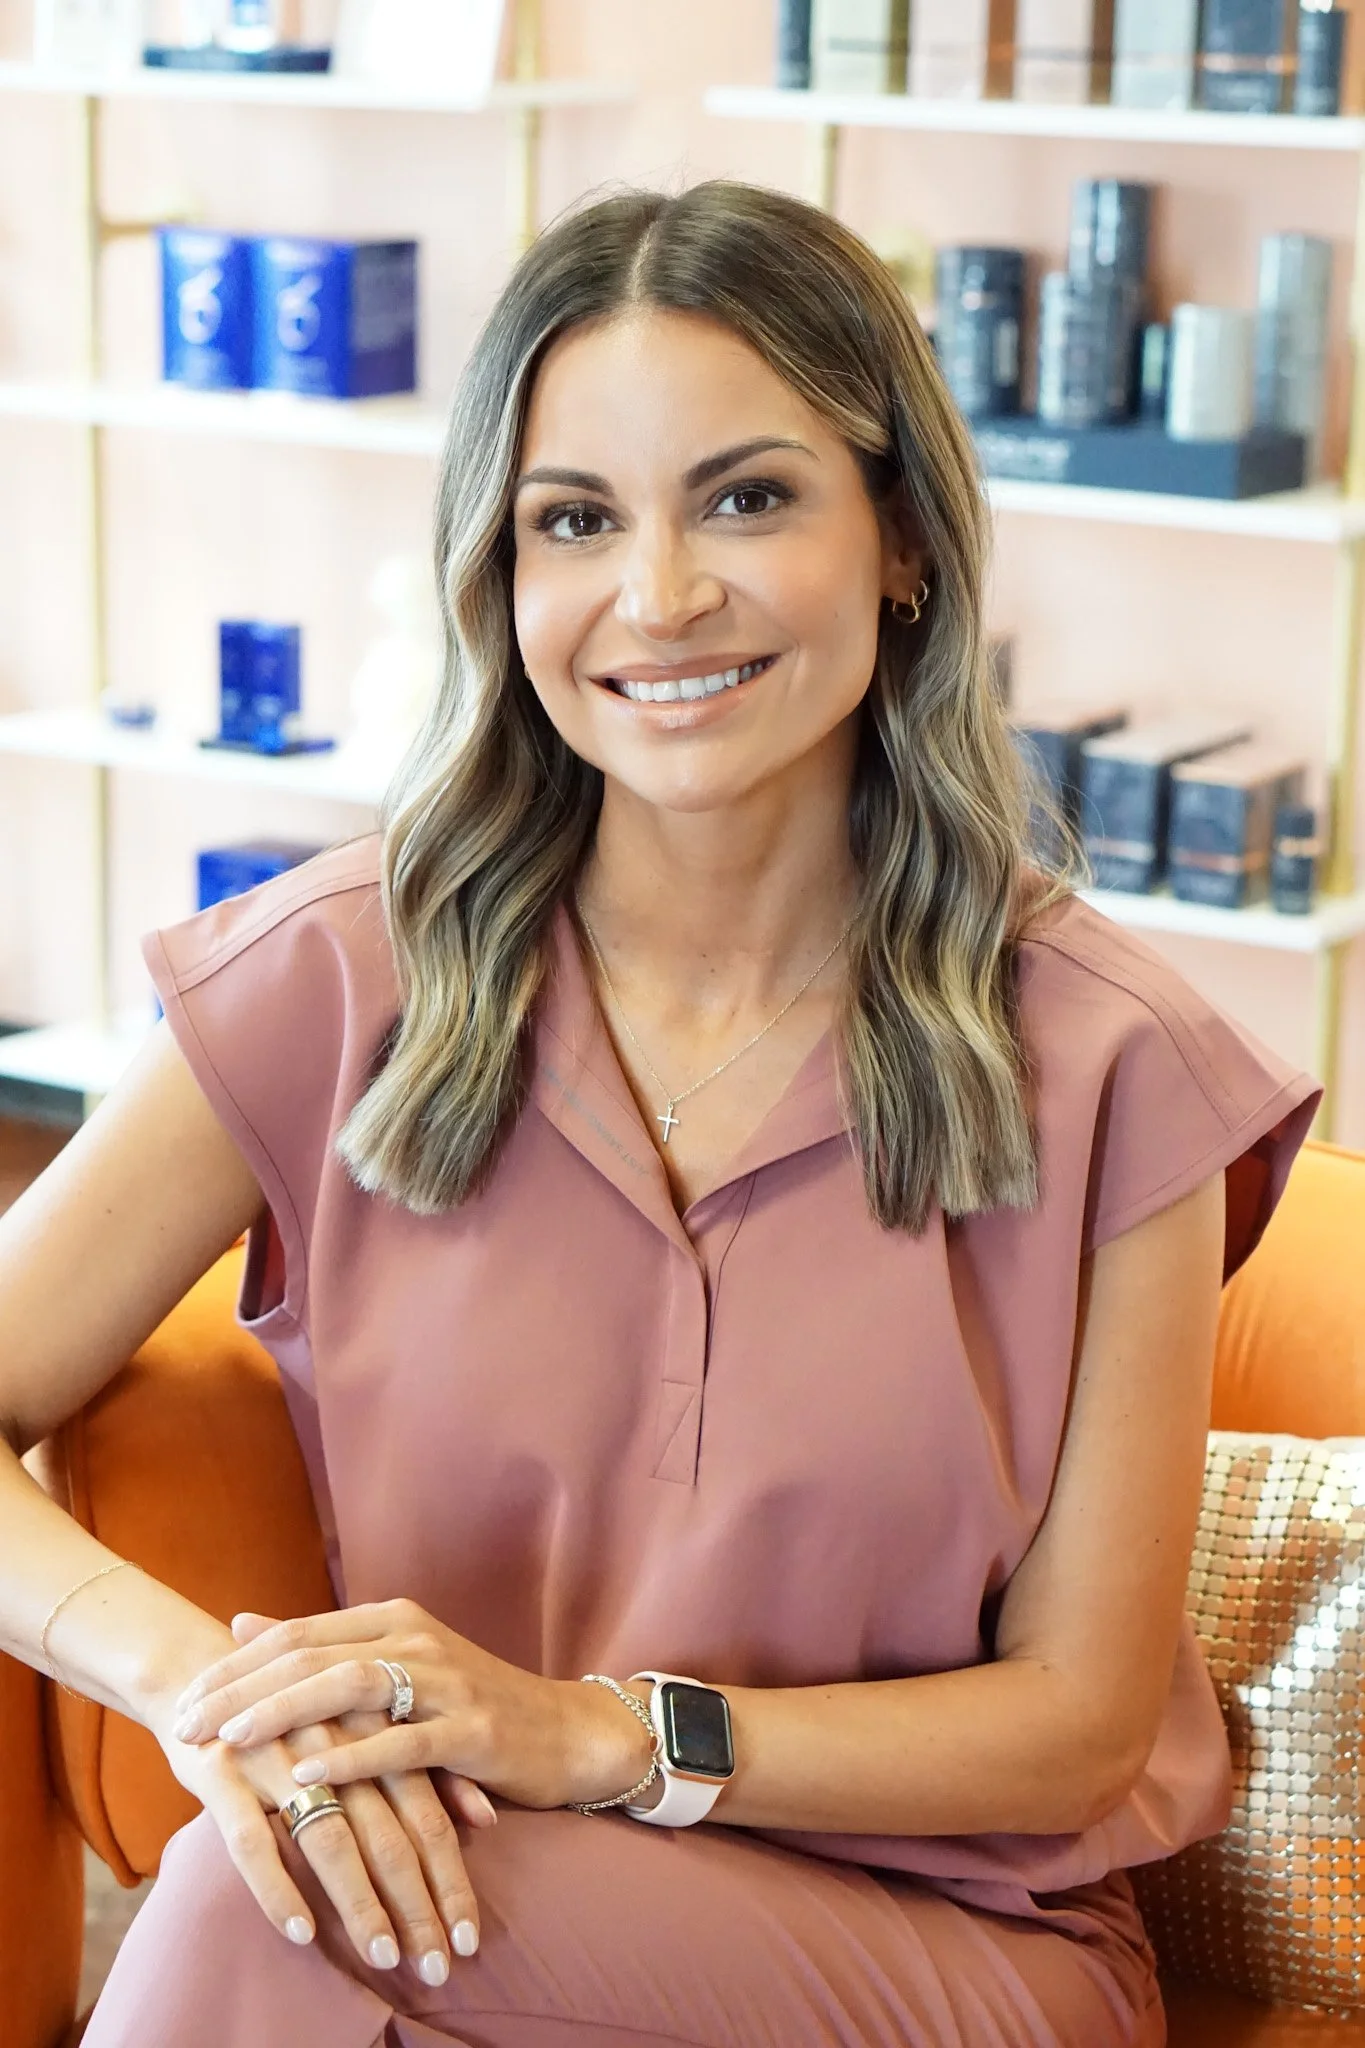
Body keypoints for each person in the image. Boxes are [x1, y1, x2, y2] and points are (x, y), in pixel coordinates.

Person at [0, 180, 1319, 2048]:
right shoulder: (337, 980)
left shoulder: (1115, 1064)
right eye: (576, 521)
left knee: (275, 1901)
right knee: (285, 1854)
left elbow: (1080, 1718)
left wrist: (610, 1740)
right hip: (468, 1882)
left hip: (939, 1951)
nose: (661, 595)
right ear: (501, 575)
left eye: (750, 496)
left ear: (904, 546)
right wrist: (212, 1693)